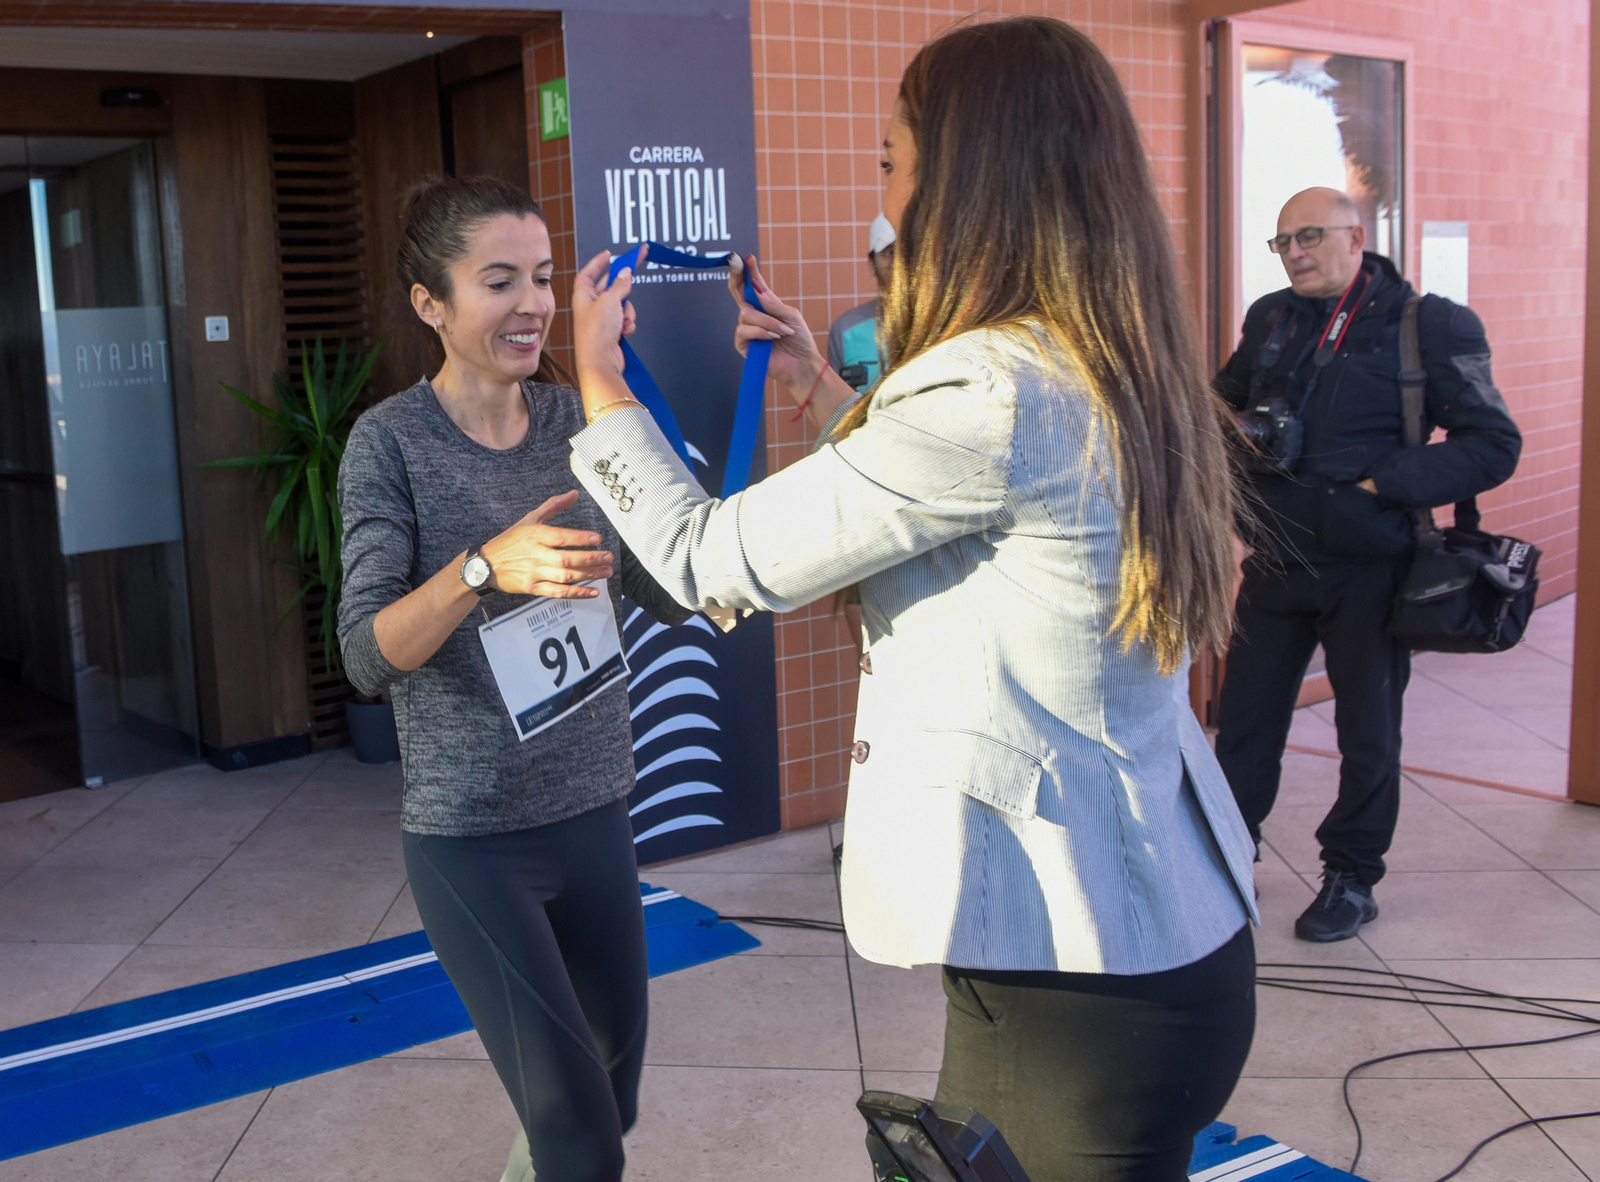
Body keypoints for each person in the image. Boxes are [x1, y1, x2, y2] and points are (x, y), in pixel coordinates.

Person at [567, 18, 1258, 1182]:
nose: (880, 199)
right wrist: (824, 383)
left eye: (890, 163)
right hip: (1159, 948)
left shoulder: (985, 389)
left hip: (1073, 995)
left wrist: (594, 381)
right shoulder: (1092, 358)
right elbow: (973, 496)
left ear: (972, 178)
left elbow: (698, 559)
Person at [336, 175, 690, 1182]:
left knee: (604, 1104)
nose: (533, 303)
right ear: (429, 304)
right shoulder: (390, 444)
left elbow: (672, 592)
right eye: (498, 280)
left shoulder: (580, 421)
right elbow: (366, 653)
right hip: (474, 839)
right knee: (576, 1134)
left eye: (542, 277)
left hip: (594, 812)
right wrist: (481, 569)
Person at [1213, 187, 1521, 942]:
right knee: (1245, 724)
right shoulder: (1271, 319)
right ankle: (1224, 860)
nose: (1295, 253)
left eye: (1310, 236)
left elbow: (1494, 444)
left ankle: (1352, 876)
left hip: (1374, 568)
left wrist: (1387, 483)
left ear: (1359, 236)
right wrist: (1233, 443)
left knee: (1369, 735)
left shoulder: (1429, 324)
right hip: (1279, 559)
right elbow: (1216, 410)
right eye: (1283, 242)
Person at [826, 212, 896, 393]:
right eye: (889, 252)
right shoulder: (847, 330)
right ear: (872, 263)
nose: (900, 262)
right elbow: (836, 409)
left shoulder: (945, 325)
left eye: (909, 250)